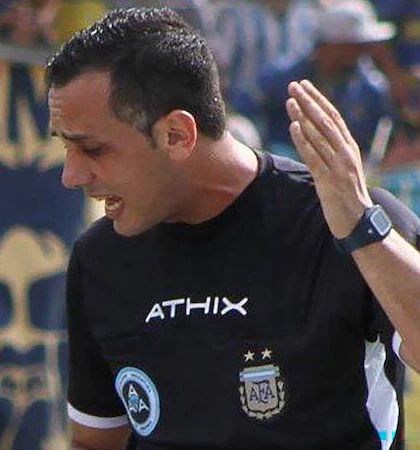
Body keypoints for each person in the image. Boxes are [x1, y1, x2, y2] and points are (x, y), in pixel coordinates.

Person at [45, 7, 420, 450]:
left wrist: (361, 229)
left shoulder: (348, 223)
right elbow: (95, 441)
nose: (71, 176)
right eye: (65, 148)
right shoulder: (100, 259)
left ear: (177, 134)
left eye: (92, 149)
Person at [258, 0, 396, 159]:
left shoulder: (371, 90)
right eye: (354, 46)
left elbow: (382, 142)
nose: (360, 53)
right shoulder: (279, 80)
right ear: (331, 45)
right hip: (281, 164)